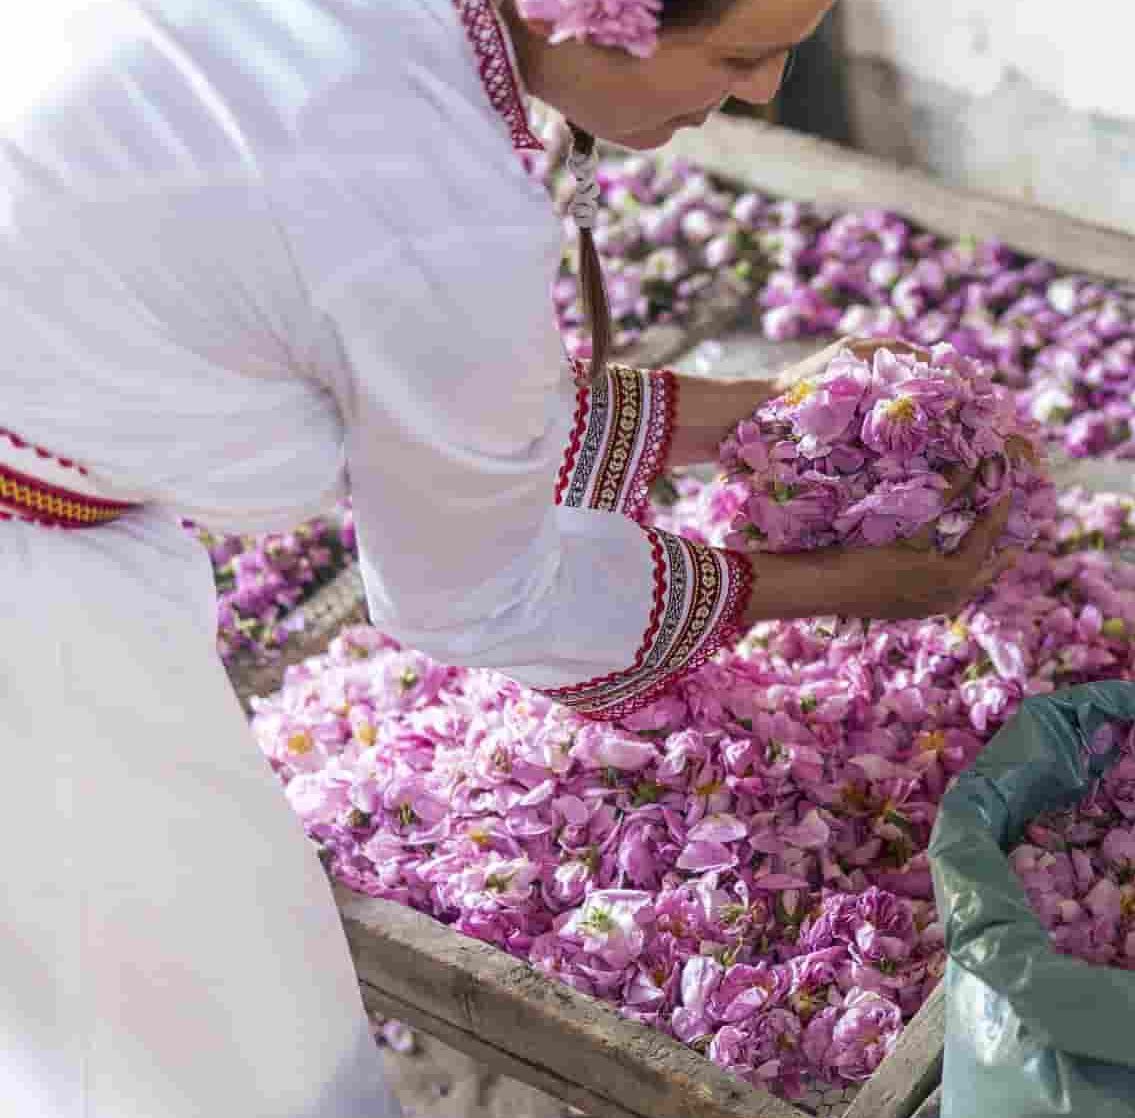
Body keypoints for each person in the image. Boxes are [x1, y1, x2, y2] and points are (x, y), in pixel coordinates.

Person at [0, 1, 1023, 1114]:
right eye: (739, 54)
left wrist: (789, 415)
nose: (767, 91)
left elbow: (413, 374)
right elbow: (471, 590)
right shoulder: (427, 197)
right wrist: (843, 589)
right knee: (201, 1032)